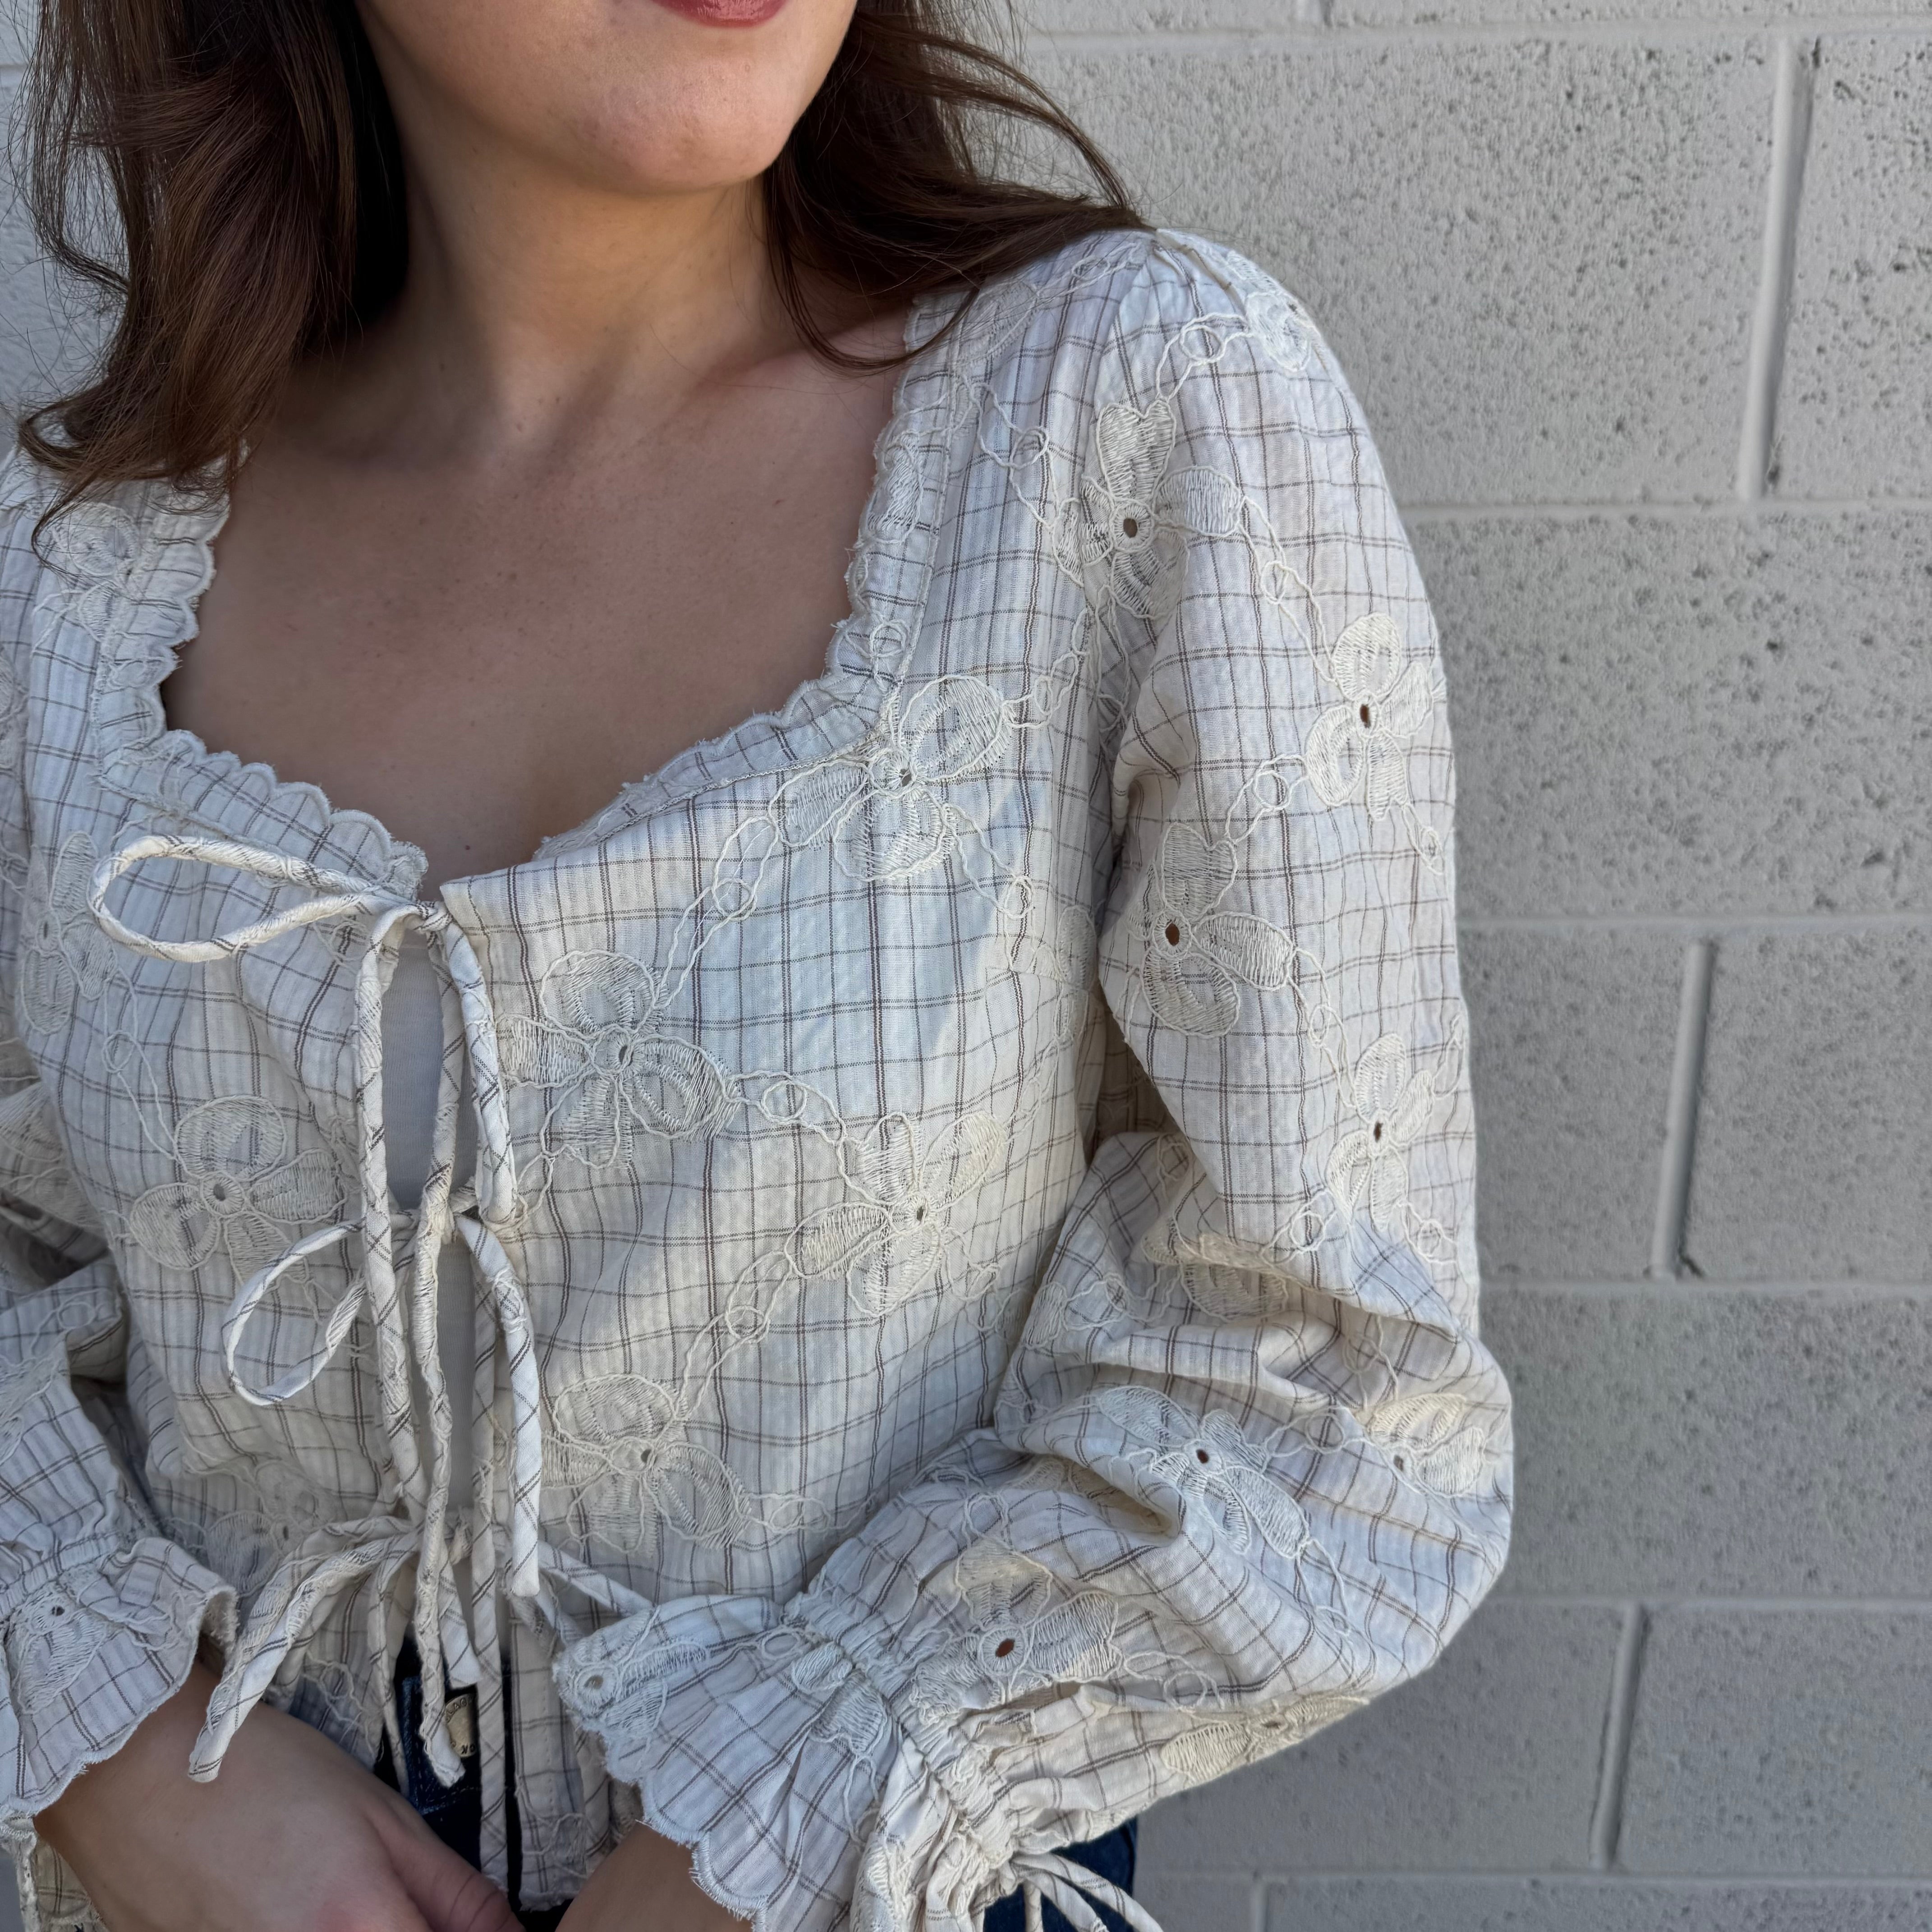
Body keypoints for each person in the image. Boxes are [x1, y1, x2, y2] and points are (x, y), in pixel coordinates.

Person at [0, 1, 1513, 1929]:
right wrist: (125, 1755)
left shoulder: (1117, 416)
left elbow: (1330, 1366)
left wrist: (770, 1838)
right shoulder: (75, 571)